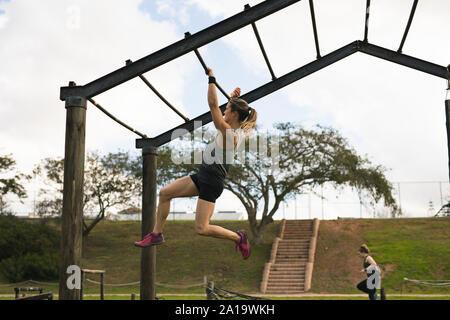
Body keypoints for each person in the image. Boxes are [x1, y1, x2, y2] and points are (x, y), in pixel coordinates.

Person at [134, 67, 257, 260]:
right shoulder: (233, 129)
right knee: (165, 193)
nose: (225, 110)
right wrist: (233, 100)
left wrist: (212, 78)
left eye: (228, 109)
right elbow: (223, 107)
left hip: (211, 182)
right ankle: (157, 234)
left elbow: (212, 104)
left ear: (233, 114)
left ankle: (238, 237)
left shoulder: (230, 134)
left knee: (201, 228)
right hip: (202, 176)